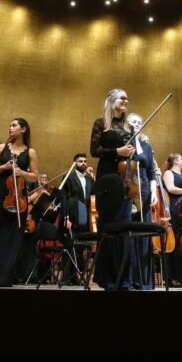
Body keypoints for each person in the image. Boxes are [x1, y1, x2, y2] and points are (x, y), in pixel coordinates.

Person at [89, 89, 135, 290]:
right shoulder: (101, 123)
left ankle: (123, 279)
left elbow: (131, 156)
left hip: (125, 179)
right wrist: (118, 151)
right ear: (111, 100)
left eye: (127, 98)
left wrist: (130, 154)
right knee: (108, 226)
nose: (126, 100)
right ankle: (107, 279)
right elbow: (94, 150)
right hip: (107, 179)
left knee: (124, 229)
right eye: (121, 97)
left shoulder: (129, 127)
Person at [0, 118, 38, 286]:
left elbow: (35, 176)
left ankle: (4, 276)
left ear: (23, 129)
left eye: (14, 125)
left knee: (14, 236)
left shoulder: (30, 152)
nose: (10, 128)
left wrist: (21, 172)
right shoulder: (1, 148)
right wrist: (4, 168)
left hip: (19, 197)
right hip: (0, 193)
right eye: (9, 125)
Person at [126, 113, 161, 290]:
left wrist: (154, 191)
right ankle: (130, 279)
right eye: (133, 122)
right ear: (126, 124)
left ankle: (144, 281)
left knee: (144, 233)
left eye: (139, 122)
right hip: (128, 191)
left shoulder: (146, 146)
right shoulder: (124, 144)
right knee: (130, 234)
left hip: (145, 190)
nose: (137, 124)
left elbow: (151, 171)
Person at [59, 152, 93, 283]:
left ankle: (78, 276)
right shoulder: (69, 177)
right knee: (71, 245)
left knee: (82, 247)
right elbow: (64, 199)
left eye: (85, 161)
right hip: (73, 215)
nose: (83, 163)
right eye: (80, 161)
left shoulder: (90, 179)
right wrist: (66, 217)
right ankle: (68, 278)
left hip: (86, 217)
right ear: (75, 163)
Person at [161, 152, 182, 287]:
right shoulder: (168, 173)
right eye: (181, 159)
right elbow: (171, 188)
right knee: (174, 242)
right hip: (174, 208)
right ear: (175, 161)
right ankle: (171, 276)